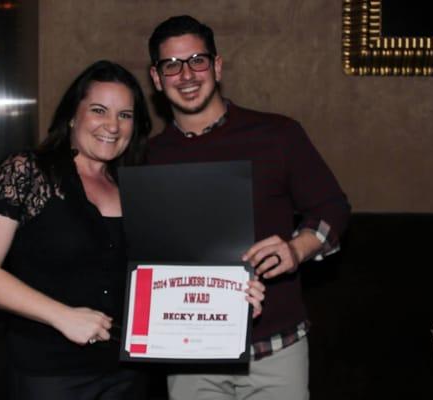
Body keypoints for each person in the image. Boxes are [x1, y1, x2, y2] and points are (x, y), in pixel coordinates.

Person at [146, 16, 351, 400]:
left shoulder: (278, 134)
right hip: (189, 353)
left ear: (218, 66)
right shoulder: (149, 157)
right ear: (156, 78)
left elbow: (333, 207)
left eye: (197, 61)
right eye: (171, 65)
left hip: (276, 348)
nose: (186, 74)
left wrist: (296, 249)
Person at [0, 60, 153, 400]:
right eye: (99, 110)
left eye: (125, 115)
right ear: (72, 115)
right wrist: (62, 317)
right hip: (49, 376)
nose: (112, 125)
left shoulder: (136, 187)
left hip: (128, 374)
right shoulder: (27, 172)